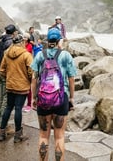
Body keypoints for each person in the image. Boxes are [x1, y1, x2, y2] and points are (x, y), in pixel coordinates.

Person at [31, 28, 77, 161]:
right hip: (61, 98)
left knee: (43, 136)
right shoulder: (65, 55)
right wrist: (72, 98)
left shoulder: (40, 55)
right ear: (59, 41)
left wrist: (34, 98)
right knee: (60, 136)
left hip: (43, 99)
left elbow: (34, 79)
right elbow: (71, 78)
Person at [0, 34, 33, 143]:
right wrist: (29, 81)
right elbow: (31, 72)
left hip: (10, 85)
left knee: (8, 107)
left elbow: (2, 70)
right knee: (18, 109)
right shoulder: (26, 55)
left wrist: (9, 79)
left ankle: (1, 133)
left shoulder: (7, 53)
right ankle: (18, 135)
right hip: (22, 87)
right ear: (22, 42)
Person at [0, 24, 16, 127]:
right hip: (7, 73)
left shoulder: (1, 42)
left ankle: (0, 122)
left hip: (0, 71)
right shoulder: (10, 43)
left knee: (1, 97)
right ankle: (2, 126)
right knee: (5, 99)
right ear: (14, 33)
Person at [23, 33, 34, 112]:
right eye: (23, 37)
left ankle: (29, 104)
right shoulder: (22, 45)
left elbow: (26, 53)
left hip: (28, 67)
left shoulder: (29, 45)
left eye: (25, 37)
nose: (23, 38)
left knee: (29, 88)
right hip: (22, 67)